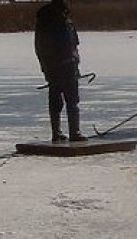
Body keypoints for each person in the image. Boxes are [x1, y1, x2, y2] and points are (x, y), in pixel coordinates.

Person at [34, 0, 87, 142]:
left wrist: (45, 68)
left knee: (55, 100)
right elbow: (70, 45)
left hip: (51, 67)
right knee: (72, 100)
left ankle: (56, 133)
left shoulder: (43, 22)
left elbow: (39, 48)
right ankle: (74, 132)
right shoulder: (61, 21)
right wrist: (74, 65)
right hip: (66, 66)